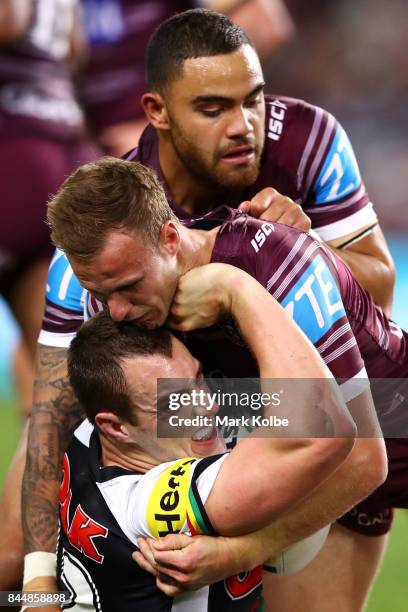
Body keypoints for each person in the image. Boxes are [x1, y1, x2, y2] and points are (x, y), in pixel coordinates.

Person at [20, 7, 394, 606]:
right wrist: (36, 577)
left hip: (352, 405)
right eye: (213, 108)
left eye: (251, 100)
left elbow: (352, 427)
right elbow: (49, 419)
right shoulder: (106, 235)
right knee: (22, 554)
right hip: (224, 411)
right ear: (158, 112)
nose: (244, 125)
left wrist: (304, 255)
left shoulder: (302, 149)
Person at [44, 158, 408, 610]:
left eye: (129, 287)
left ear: (171, 238)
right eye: (100, 293)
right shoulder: (120, 294)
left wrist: (241, 551)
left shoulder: (277, 263)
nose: (115, 312)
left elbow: (364, 459)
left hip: (381, 435)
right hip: (303, 449)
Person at [54, 281, 354, 609]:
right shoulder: (147, 505)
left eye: (197, 379)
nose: (207, 406)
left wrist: (33, 590)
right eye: (175, 401)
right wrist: (240, 293)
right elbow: (321, 428)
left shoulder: (83, 435)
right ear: (115, 427)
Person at [0, 0, 100, 591]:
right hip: (57, 149)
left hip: (9, 146)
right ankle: (24, 578)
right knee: (59, 398)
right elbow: (76, 49)